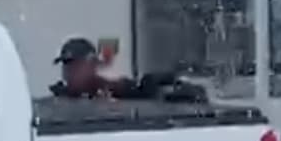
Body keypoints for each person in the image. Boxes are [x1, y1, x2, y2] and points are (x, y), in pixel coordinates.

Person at [49, 37, 208, 102]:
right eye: (66, 66)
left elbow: (145, 91)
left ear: (92, 64)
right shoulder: (59, 100)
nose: (69, 71)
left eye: (75, 65)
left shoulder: (114, 88)